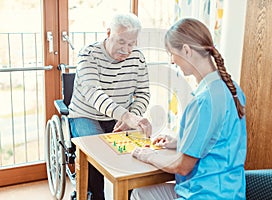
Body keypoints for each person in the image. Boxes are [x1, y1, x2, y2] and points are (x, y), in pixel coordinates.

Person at [131, 18, 247, 200]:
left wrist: (148, 155)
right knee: (141, 194)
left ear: (186, 50)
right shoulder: (231, 88)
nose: (172, 60)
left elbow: (182, 166)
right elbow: (219, 138)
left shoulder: (204, 101)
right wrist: (179, 141)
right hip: (230, 191)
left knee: (139, 193)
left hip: (204, 194)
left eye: (172, 53)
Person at [68, 13, 152, 200]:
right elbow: (93, 94)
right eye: (121, 42)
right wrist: (127, 117)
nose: (126, 50)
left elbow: (143, 93)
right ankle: (94, 196)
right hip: (85, 114)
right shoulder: (88, 54)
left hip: (119, 116)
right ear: (108, 33)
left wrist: (133, 116)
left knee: (132, 154)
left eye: (131, 44)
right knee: (96, 156)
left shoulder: (137, 58)